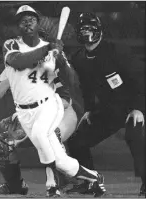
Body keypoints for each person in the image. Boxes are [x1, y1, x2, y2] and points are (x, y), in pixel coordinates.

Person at [0, 5, 106, 197]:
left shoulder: (52, 53)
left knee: (45, 135)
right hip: (26, 112)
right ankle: (93, 178)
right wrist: (14, 78)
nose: (30, 27)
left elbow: (71, 84)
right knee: (56, 158)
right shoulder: (13, 47)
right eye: (23, 21)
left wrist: (59, 59)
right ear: (18, 27)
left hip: (55, 107)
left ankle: (53, 185)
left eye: (33, 21)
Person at [66, 12, 145, 196]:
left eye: (89, 28)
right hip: (108, 110)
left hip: (131, 105)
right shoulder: (78, 58)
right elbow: (86, 86)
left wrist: (139, 108)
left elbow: (140, 79)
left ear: (99, 30)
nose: (86, 32)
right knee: (77, 140)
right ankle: (89, 182)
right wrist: (89, 110)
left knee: (135, 137)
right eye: (82, 29)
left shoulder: (117, 51)